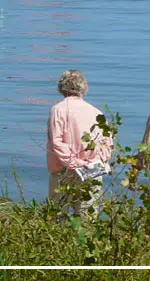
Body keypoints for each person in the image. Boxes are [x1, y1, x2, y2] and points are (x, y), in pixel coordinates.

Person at [46, 69, 113, 213]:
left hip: (63, 171)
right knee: (87, 218)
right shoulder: (97, 112)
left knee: (57, 216)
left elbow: (57, 142)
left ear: (61, 88)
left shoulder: (58, 110)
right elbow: (107, 144)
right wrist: (94, 162)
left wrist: (75, 162)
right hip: (92, 170)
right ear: (83, 88)